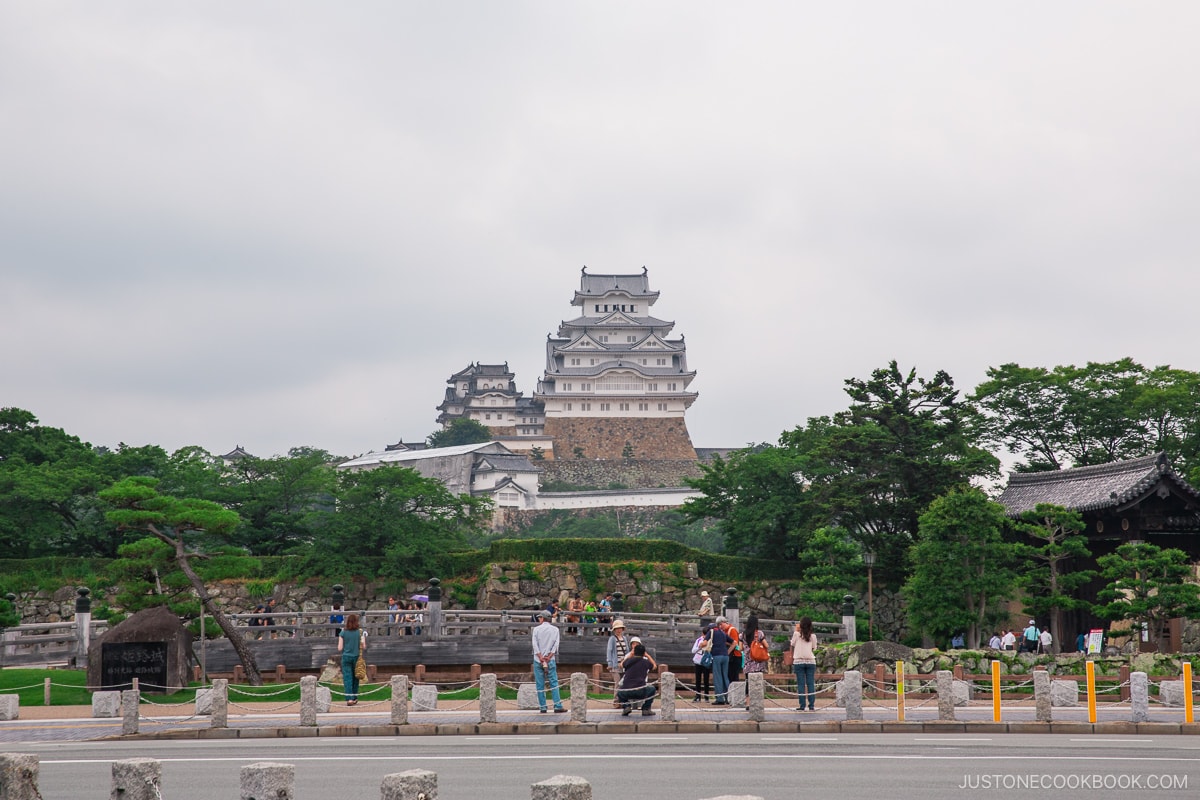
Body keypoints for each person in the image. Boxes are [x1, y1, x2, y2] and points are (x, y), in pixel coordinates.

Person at [531, 610, 567, 713]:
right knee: (554, 682)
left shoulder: (536, 629)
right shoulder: (555, 629)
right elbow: (556, 644)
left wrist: (540, 656)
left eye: (540, 617)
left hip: (538, 659)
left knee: (540, 683)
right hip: (550, 659)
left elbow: (535, 644)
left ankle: (543, 706)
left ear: (542, 618)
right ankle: (557, 705)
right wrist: (550, 655)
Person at [617, 643, 658, 716]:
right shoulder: (645, 662)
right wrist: (648, 656)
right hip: (640, 691)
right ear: (643, 653)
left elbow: (621, 665)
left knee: (619, 691)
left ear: (634, 652)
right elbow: (654, 666)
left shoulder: (628, 661)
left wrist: (630, 655)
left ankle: (626, 706)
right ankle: (646, 708)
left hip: (626, 691)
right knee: (652, 689)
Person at [790, 616, 818, 711]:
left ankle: (802, 705)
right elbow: (814, 648)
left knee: (801, 684)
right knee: (810, 684)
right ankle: (811, 705)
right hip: (810, 661)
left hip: (798, 661)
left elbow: (792, 644)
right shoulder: (813, 636)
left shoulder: (796, 634)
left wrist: (796, 630)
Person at [337, 613, 365, 705]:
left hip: (346, 656)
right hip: (356, 657)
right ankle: (355, 697)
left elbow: (339, 648)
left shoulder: (343, 632)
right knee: (356, 677)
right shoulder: (360, 632)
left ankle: (349, 698)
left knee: (347, 678)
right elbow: (364, 646)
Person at [606, 619, 632, 707]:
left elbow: (627, 650)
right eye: (617, 628)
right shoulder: (612, 639)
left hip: (624, 664)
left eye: (620, 628)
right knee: (617, 684)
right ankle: (616, 701)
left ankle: (623, 700)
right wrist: (609, 663)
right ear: (614, 630)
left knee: (624, 683)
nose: (618, 630)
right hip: (615, 664)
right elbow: (609, 651)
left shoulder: (624, 638)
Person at [707, 618, 731, 705]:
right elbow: (734, 642)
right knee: (725, 676)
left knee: (717, 677)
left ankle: (720, 698)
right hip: (725, 656)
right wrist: (728, 652)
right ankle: (728, 697)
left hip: (716, 656)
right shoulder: (723, 633)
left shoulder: (711, 632)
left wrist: (700, 647)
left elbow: (705, 643)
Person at [691, 625, 713, 701]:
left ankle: (706, 696)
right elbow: (693, 651)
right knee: (698, 679)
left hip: (706, 661)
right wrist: (700, 647)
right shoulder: (698, 640)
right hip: (698, 661)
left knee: (706, 679)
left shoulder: (711, 641)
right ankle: (698, 696)